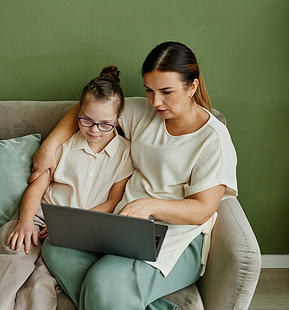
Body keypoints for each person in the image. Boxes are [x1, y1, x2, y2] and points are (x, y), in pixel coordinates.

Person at [32, 41, 238, 310]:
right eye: (149, 91)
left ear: (192, 87)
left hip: (175, 239)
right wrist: (48, 147)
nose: (156, 102)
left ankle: (111, 293)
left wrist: (151, 205)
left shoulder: (213, 140)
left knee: (103, 282)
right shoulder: (144, 112)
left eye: (166, 92)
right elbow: (86, 110)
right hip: (124, 227)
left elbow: (202, 209)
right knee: (56, 246)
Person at [0, 66, 134, 310]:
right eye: (86, 120)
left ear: (119, 116)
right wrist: (25, 221)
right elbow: (36, 189)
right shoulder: (63, 145)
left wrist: (72, 225)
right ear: (78, 112)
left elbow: (112, 202)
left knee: (41, 282)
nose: (94, 130)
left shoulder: (126, 153)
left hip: (82, 225)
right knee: (14, 257)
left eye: (105, 124)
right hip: (41, 216)